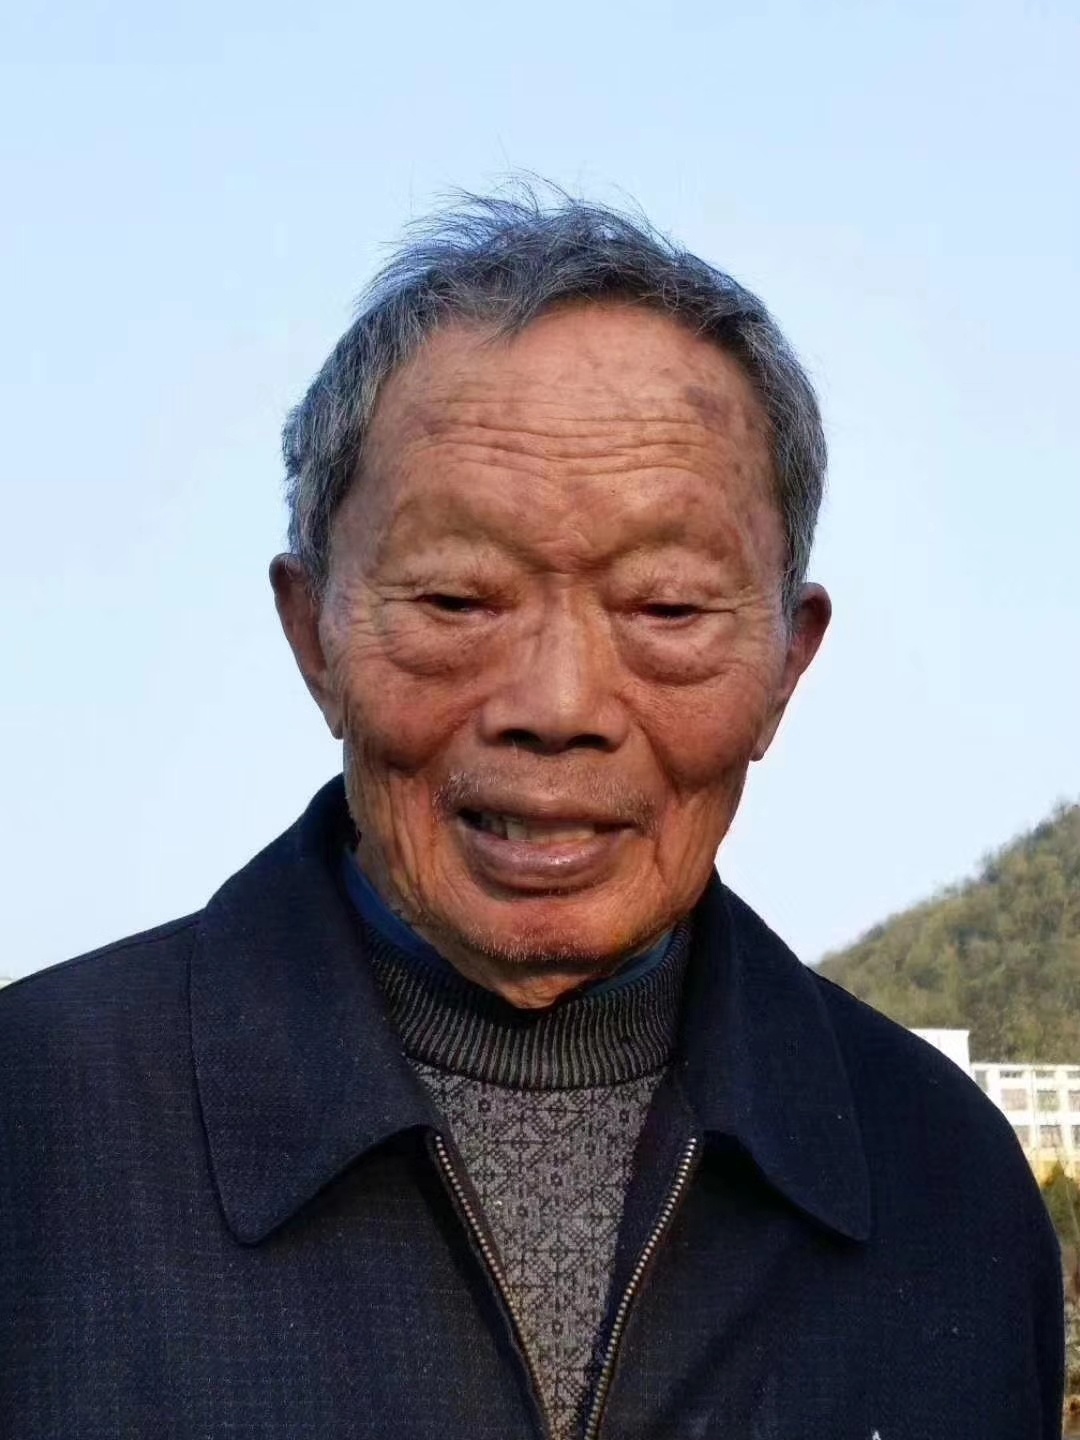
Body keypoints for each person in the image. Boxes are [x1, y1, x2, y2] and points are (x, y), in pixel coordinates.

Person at [0, 189, 1063, 1439]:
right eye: (459, 600)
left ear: (788, 663)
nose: (557, 708)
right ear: (313, 634)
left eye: (666, 608)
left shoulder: (943, 1181)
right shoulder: (39, 1126)